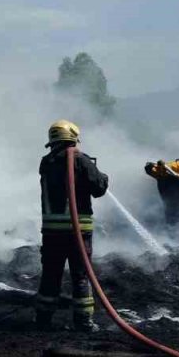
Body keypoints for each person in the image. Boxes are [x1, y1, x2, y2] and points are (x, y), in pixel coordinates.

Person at [36, 119, 109, 332]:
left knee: (50, 274)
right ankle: (84, 322)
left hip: (51, 233)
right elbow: (99, 188)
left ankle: (43, 319)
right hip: (78, 233)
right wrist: (102, 176)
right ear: (73, 137)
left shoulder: (46, 162)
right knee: (80, 276)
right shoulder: (80, 160)